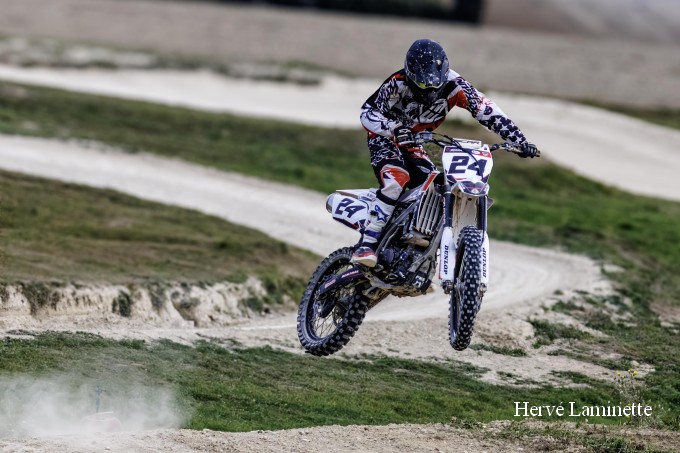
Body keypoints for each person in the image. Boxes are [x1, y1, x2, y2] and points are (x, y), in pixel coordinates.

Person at [351, 38, 539, 267]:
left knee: (436, 186)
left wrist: (519, 140)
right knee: (396, 180)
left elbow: (487, 110)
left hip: (414, 142)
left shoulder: (456, 86)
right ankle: (367, 244)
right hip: (385, 138)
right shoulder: (397, 83)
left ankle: (413, 247)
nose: (430, 91)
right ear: (410, 74)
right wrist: (394, 128)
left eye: (435, 84)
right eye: (422, 85)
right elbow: (367, 113)